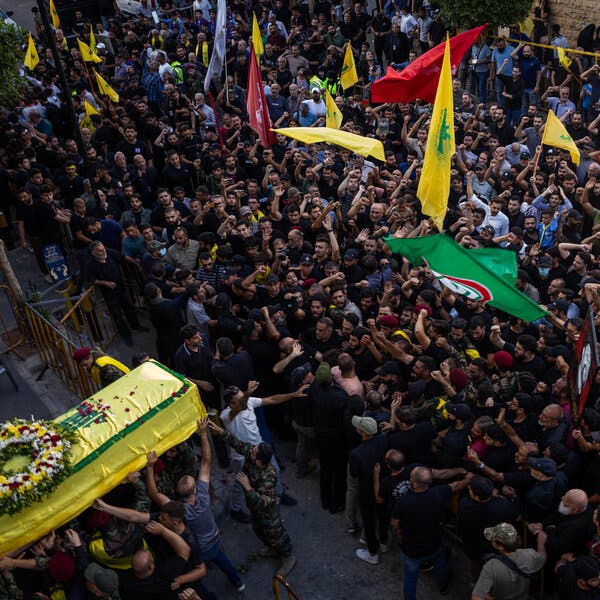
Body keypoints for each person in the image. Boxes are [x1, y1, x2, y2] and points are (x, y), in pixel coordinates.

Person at [144, 419, 245, 594]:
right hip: (215, 538)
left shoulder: (180, 510)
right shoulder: (204, 496)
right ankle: (238, 583)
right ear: (196, 489)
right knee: (222, 560)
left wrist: (150, 468)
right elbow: (206, 461)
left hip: (200, 548)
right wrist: (203, 434)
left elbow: (154, 494)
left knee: (198, 568)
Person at [208, 419, 297, 577]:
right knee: (259, 530)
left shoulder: (268, 476)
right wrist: (220, 431)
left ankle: (288, 557)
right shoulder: (252, 453)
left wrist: (248, 487)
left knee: (276, 535)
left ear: (258, 461)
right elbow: (238, 444)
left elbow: (265, 502)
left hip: (268, 513)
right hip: (254, 507)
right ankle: (272, 549)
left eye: (253, 451)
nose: (250, 451)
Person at [220, 381, 301, 522]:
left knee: (275, 470)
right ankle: (236, 509)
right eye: (238, 399)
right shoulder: (226, 415)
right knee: (240, 483)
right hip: (242, 456)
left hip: (260, 448)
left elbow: (272, 399)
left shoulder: (249, 401)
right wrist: (248, 393)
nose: (243, 401)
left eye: (242, 396)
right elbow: (238, 407)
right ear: (231, 404)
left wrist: (294, 394)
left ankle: (279, 494)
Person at [471, 523, 546, 600]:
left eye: (493, 539)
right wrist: (541, 543)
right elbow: (542, 559)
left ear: (499, 546)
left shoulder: (491, 565)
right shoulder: (530, 554)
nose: (491, 540)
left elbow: (476, 597)